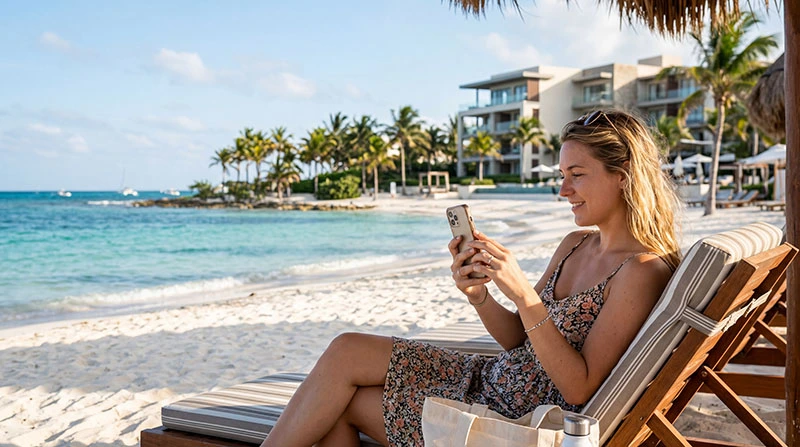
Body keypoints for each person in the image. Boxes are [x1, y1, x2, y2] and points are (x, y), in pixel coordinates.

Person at [261, 109, 681, 447]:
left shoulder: (641, 271)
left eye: (577, 175)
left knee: (338, 406)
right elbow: (520, 339)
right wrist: (480, 295)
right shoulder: (575, 244)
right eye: (562, 176)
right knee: (346, 350)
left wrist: (521, 292)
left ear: (623, 176)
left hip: (513, 415)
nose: (563, 190)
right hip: (487, 377)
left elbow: (577, 388)